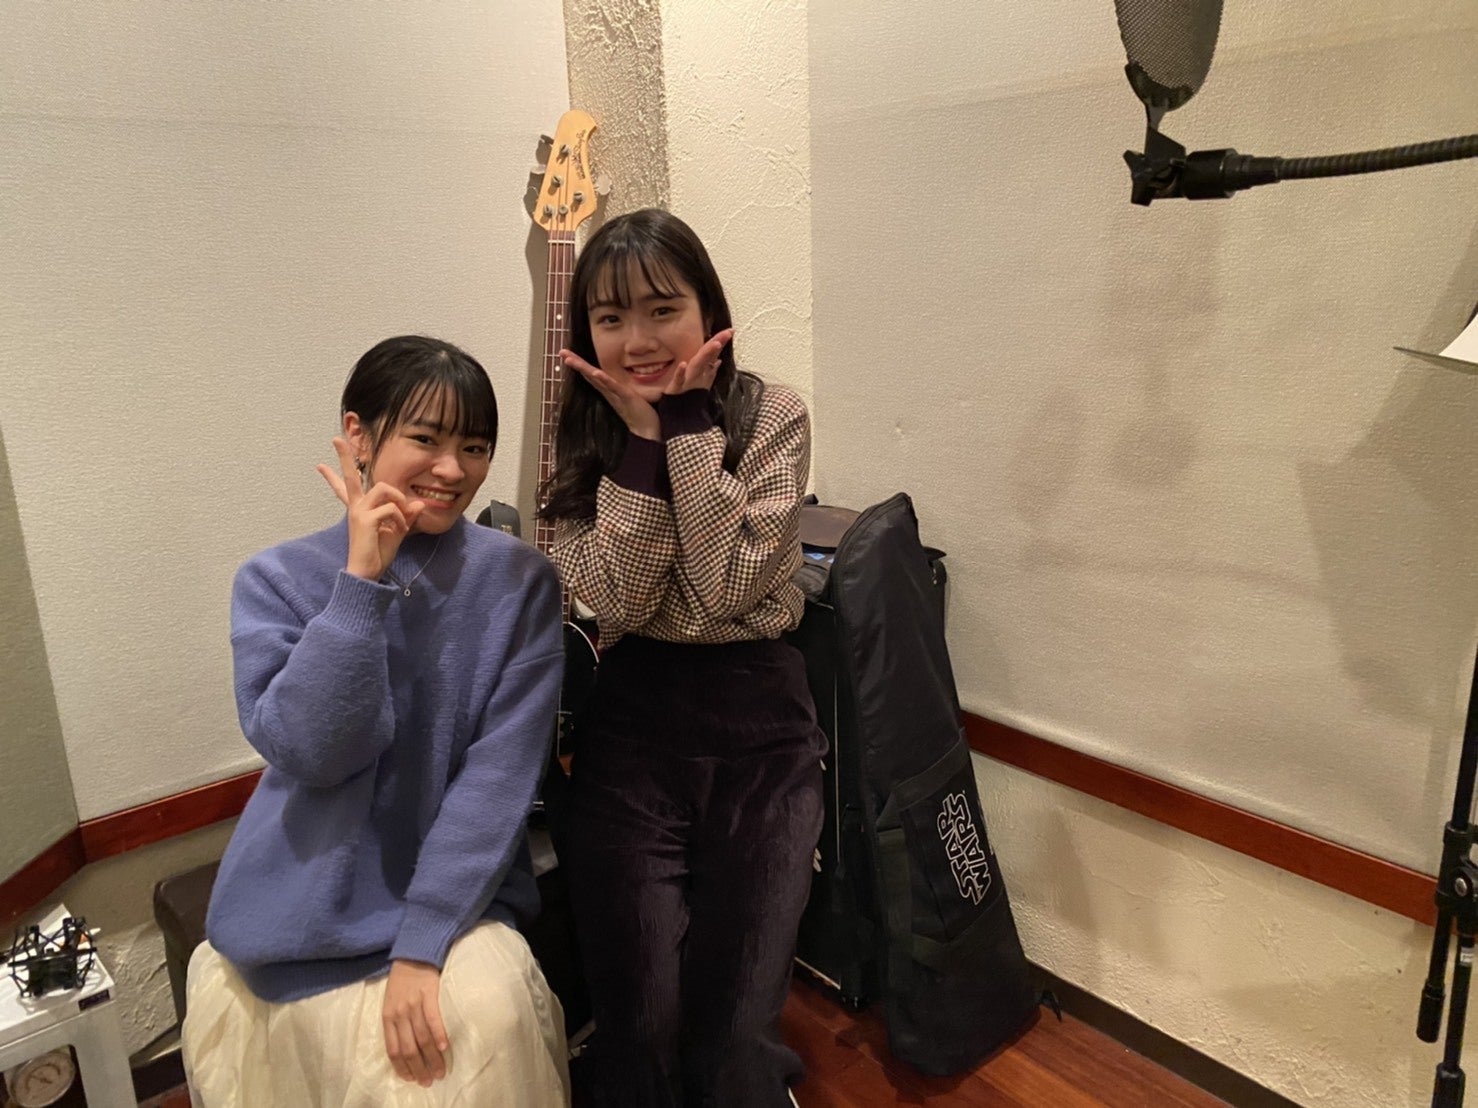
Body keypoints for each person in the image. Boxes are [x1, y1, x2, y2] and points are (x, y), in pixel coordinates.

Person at [183, 335, 570, 1107]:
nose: (453, 469)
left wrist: (423, 945)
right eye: (426, 438)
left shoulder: (519, 581)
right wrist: (360, 584)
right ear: (358, 435)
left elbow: (499, 778)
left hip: (455, 894)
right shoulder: (274, 579)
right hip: (299, 889)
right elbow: (314, 753)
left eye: (475, 447)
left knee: (480, 1029)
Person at [540, 209, 825, 1107]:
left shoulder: (772, 414)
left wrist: (690, 431)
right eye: (611, 317)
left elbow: (729, 585)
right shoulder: (581, 430)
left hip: (760, 720)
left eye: (662, 309)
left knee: (735, 1019)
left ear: (709, 310)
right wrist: (638, 450)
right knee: (640, 1019)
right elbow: (614, 607)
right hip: (628, 726)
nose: (637, 340)